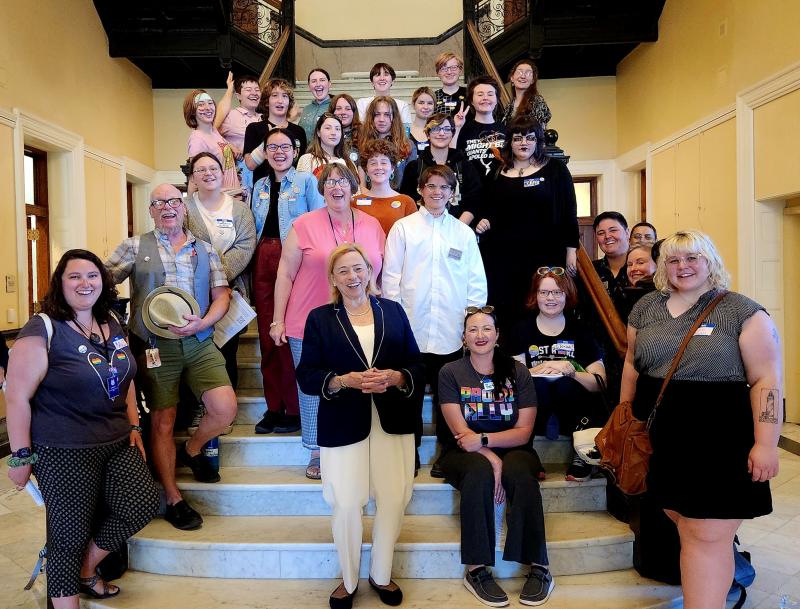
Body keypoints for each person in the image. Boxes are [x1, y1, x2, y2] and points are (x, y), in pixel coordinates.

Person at [621, 230, 781, 609]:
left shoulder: (742, 311)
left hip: (721, 438)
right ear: (662, 267)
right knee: (690, 528)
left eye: (693, 258)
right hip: (663, 438)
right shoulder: (646, 308)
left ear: (711, 262)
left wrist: (766, 443)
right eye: (673, 260)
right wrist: (624, 416)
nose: (683, 267)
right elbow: (631, 363)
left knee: (704, 535)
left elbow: (766, 381)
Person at [6, 249, 159, 607]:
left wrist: (135, 424)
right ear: (60, 284)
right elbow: (16, 397)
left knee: (142, 503)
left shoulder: (110, 321)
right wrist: (20, 457)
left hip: (117, 440)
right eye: (74, 276)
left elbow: (125, 378)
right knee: (68, 536)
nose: (84, 283)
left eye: (91, 275)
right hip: (64, 449)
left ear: (103, 281)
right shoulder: (43, 327)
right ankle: (67, 593)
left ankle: (86, 570)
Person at [296, 243, 423, 609]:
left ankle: (381, 575)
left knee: (394, 499)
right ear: (333, 278)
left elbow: (416, 365)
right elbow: (307, 375)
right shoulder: (320, 318)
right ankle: (348, 580)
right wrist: (343, 380)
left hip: (392, 421)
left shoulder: (394, 312)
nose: (353, 277)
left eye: (358, 268)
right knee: (347, 503)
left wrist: (398, 376)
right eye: (343, 271)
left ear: (370, 271)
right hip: (343, 422)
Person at [106, 183, 237, 531]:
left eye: (174, 202)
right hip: (153, 346)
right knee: (164, 419)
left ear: (184, 208)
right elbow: (102, 281)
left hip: (200, 340)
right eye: (159, 202)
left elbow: (222, 296)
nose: (167, 207)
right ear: (151, 210)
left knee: (225, 408)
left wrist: (205, 322)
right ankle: (172, 497)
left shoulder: (205, 250)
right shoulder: (135, 246)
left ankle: (192, 449)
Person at [269, 164, 385, 480]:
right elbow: (284, 273)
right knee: (314, 389)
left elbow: (380, 274)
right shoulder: (303, 225)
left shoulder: (372, 225)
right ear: (322, 189)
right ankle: (317, 450)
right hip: (307, 322)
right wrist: (277, 319)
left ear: (353, 186)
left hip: (361, 320)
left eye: (343, 181)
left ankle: (355, 444)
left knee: (357, 384)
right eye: (330, 181)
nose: (337, 187)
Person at [438, 307, 553, 607]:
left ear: (497, 335)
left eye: (486, 328)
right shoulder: (450, 372)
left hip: (513, 448)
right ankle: (476, 570)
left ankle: (539, 568)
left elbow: (524, 432)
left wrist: (487, 441)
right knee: (478, 472)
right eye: (473, 329)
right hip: (464, 452)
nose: (480, 335)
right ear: (463, 337)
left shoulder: (518, 372)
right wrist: (492, 458)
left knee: (521, 475)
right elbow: (461, 435)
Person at [383, 165, 487, 478]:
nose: (437, 192)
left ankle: (447, 453)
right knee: (407, 397)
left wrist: (471, 326)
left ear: (452, 193)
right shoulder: (403, 229)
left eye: (444, 187)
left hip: (451, 332)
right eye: (431, 186)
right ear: (420, 189)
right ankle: (407, 452)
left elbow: (476, 283)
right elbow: (391, 279)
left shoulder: (463, 233)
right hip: (411, 330)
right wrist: (396, 323)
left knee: (449, 399)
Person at [250, 129, 325, 434]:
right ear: (265, 152)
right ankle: (273, 406)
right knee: (269, 337)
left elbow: (319, 222)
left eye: (285, 147)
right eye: (272, 147)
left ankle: (296, 408)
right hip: (263, 258)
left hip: (296, 259)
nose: (279, 152)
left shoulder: (307, 182)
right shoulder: (260, 185)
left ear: (295, 152)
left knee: (293, 336)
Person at [506, 268, 607, 481]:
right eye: (544, 293)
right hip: (536, 404)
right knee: (537, 386)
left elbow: (599, 382)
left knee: (566, 385)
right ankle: (527, 452)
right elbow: (513, 377)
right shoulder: (521, 330)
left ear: (567, 295)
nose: (550, 298)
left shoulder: (580, 330)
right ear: (535, 296)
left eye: (557, 292)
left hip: (572, 404)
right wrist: (538, 370)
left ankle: (582, 454)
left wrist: (571, 371)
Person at [479, 117, 579, 328]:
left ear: (538, 141)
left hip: (545, 254)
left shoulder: (556, 170)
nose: (523, 143)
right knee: (507, 310)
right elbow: (486, 209)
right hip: (503, 258)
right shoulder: (496, 173)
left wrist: (572, 250)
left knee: (542, 304)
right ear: (510, 142)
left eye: (529, 138)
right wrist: (483, 221)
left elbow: (569, 212)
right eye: (517, 138)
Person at [184, 152, 257, 389]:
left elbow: (246, 246)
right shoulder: (184, 209)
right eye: (201, 170)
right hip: (192, 294)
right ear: (193, 176)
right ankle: (199, 409)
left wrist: (217, 277)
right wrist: (204, 278)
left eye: (213, 168)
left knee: (227, 352)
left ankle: (226, 412)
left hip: (230, 292)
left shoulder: (240, 210)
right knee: (194, 353)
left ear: (222, 172)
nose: (208, 174)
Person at [400, 113, 482, 225]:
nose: (442, 133)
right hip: (422, 229)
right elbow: (408, 202)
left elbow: (474, 200)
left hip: (457, 229)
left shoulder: (465, 166)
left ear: (453, 133)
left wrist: (458, 229)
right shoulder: (414, 167)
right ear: (427, 134)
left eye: (447, 129)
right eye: (436, 129)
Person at [244, 78, 307, 185]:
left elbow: (301, 166)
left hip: (293, 192)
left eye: (284, 96)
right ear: (267, 102)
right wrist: (269, 139)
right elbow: (250, 164)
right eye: (274, 95)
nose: (280, 100)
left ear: (289, 103)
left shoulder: (299, 131)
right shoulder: (254, 128)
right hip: (263, 192)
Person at [352, 138, 417, 235]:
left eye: (384, 162)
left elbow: (414, 237)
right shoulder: (354, 202)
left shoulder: (406, 202)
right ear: (366, 170)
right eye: (373, 163)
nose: (379, 167)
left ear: (392, 168)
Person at [183, 89, 241, 194]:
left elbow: (223, 109)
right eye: (201, 105)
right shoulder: (197, 139)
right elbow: (195, 178)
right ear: (192, 111)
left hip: (233, 197)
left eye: (210, 103)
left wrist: (231, 146)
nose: (207, 107)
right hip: (218, 201)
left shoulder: (214, 132)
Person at [214, 73, 262, 196]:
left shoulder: (263, 119)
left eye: (257, 90)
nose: (254, 93)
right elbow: (211, 132)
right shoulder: (231, 116)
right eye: (248, 90)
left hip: (261, 174)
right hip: (239, 175)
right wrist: (228, 145)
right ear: (238, 95)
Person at [456, 75, 506, 187]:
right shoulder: (464, 130)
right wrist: (457, 128)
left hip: (502, 190)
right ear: (472, 101)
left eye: (490, 94)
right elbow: (453, 158)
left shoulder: (506, 130)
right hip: (471, 191)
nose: (485, 98)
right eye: (480, 94)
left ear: (497, 99)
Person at [358, 96, 417, 189]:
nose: (381, 119)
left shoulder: (408, 145)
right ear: (371, 117)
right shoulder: (362, 143)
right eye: (377, 114)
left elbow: (411, 183)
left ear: (394, 117)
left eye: (387, 114)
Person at [501, 59, 552, 128]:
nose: (523, 76)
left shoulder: (537, 101)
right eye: (519, 72)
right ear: (512, 78)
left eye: (528, 73)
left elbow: (538, 132)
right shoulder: (509, 106)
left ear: (532, 80)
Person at [297, 68, 333, 142]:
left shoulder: (336, 106)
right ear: (309, 86)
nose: (318, 84)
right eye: (313, 81)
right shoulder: (306, 109)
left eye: (322, 80)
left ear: (329, 84)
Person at [330, 93, 362, 159]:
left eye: (347, 109)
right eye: (338, 108)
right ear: (332, 112)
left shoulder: (364, 134)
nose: (343, 112)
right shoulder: (325, 134)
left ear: (354, 112)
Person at [408, 86, 435, 156]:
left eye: (430, 103)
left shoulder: (439, 132)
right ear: (413, 105)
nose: (426, 107)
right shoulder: (405, 131)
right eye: (421, 103)